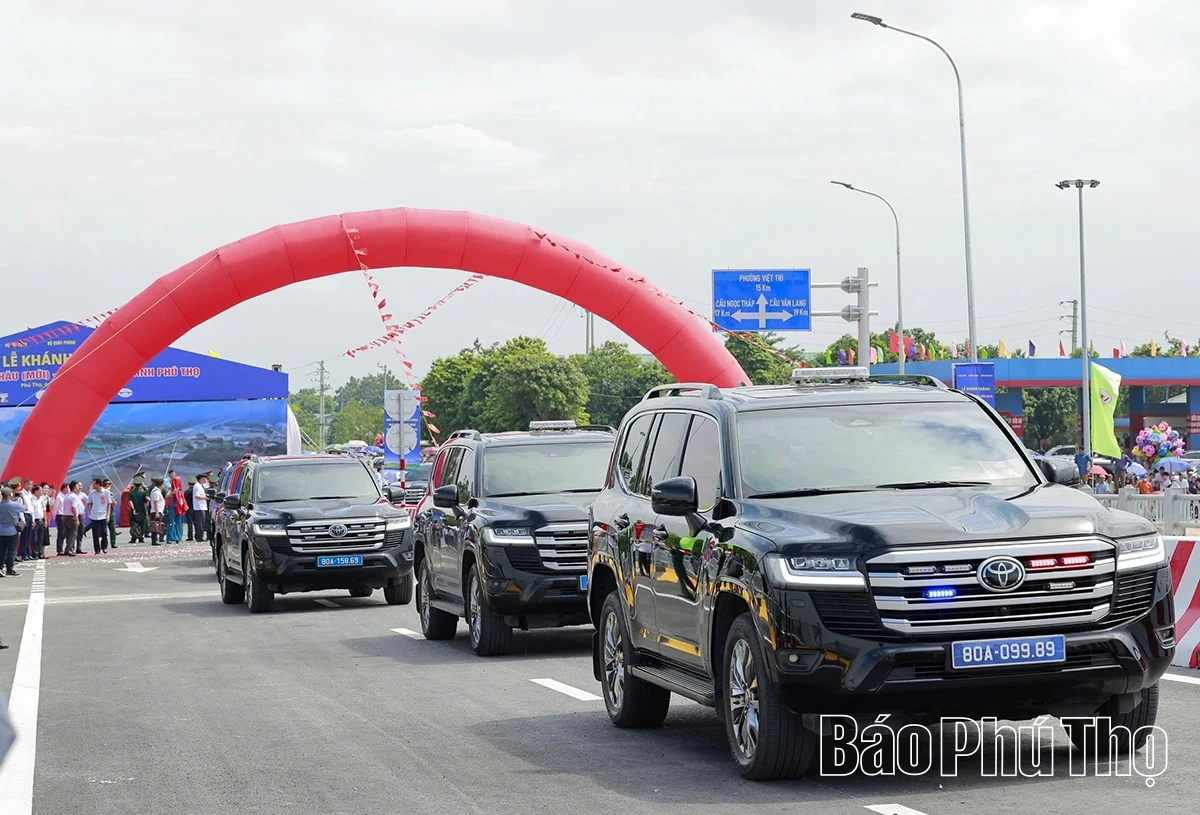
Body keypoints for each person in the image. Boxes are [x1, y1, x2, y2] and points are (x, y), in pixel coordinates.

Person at [0, 486, 26, 577]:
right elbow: (25, 508)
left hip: (1, 530)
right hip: (12, 531)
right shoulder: (14, 505)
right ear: (10, 494)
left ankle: (0, 568)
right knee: (11, 550)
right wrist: (22, 497)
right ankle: (9, 569)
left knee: (2, 550)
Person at [86, 478, 110, 554]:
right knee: (95, 534)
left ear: (98, 484)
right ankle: (97, 550)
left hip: (103, 515)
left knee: (104, 533)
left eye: (94, 484)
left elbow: (109, 504)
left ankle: (104, 546)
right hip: (94, 515)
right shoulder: (92, 493)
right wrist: (88, 513)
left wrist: (108, 515)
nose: (93, 485)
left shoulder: (106, 492)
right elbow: (88, 503)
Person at [166, 472, 186, 543]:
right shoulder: (170, 488)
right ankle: (170, 538)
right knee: (171, 522)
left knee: (178, 522)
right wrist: (172, 493)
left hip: (178, 507)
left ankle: (178, 537)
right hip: (172, 506)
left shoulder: (180, 491)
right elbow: (167, 496)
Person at [128, 477, 149, 544]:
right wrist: (146, 511)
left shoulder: (131, 492)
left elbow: (130, 501)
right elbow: (145, 503)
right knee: (141, 524)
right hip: (141, 511)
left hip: (134, 511)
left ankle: (133, 538)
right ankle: (141, 538)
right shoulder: (143, 492)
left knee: (134, 524)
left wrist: (133, 509)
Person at [149, 476, 166, 546]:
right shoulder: (156, 492)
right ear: (161, 484)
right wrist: (157, 512)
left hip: (158, 511)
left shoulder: (157, 491)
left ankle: (155, 540)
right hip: (156, 511)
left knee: (157, 526)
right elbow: (155, 502)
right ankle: (154, 541)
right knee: (155, 527)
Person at [103, 478, 119, 549]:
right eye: (107, 484)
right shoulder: (102, 493)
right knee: (103, 530)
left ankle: (113, 543)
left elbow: (114, 503)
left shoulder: (110, 493)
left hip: (111, 512)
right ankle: (104, 544)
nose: (108, 486)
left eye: (109, 484)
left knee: (112, 529)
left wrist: (113, 500)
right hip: (103, 512)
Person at [185, 476, 197, 541]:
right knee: (196, 523)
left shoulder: (186, 492)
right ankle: (197, 535)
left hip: (188, 508)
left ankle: (190, 536)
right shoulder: (196, 491)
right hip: (196, 508)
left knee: (189, 523)